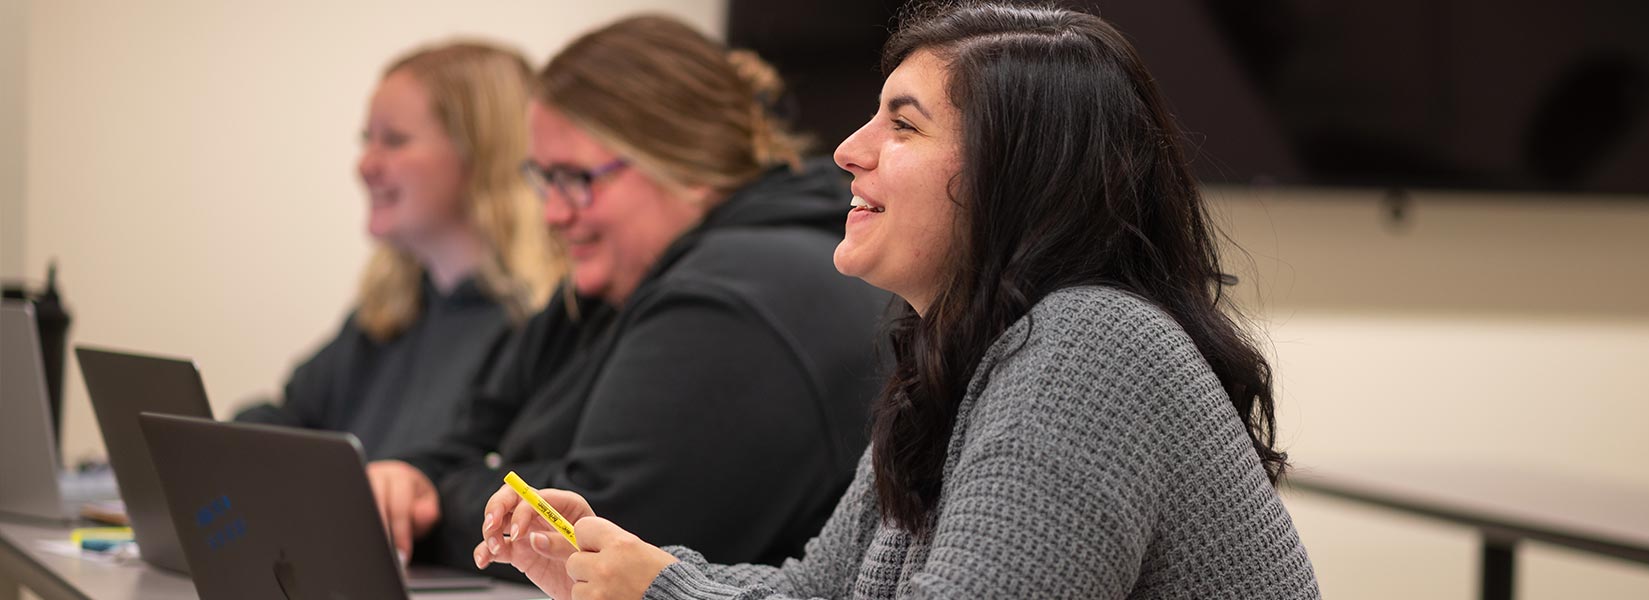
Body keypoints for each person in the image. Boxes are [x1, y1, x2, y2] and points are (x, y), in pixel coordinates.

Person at [475, 3, 1322, 599]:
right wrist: (625, 566)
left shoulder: (1088, 347)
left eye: (902, 125)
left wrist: (660, 594)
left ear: (1016, 173)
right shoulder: (957, 354)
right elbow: (814, 594)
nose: (847, 150)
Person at [365, 15, 893, 573]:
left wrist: (433, 502)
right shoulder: (611, 283)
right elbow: (464, 435)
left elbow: (596, 540)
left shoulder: (739, 296)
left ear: (688, 164)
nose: (553, 213)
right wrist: (414, 477)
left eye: (577, 179)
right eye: (543, 179)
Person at [236, 42, 560, 461]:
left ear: (481, 155)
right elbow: (290, 420)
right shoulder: (388, 312)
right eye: (367, 140)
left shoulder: (542, 328)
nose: (365, 165)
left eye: (394, 140)